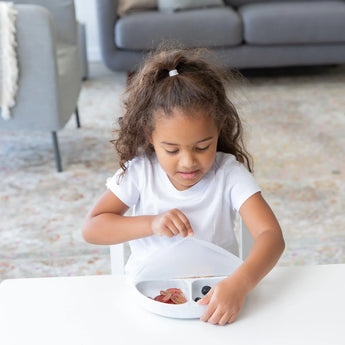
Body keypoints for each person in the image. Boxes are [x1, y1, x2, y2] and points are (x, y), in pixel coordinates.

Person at [82, 47, 285, 326]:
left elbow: (271, 235)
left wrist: (241, 283)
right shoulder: (141, 172)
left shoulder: (228, 173)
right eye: (172, 149)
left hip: (220, 295)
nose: (188, 162)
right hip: (147, 298)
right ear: (149, 135)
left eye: (203, 146)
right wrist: (151, 224)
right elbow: (92, 228)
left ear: (218, 130)